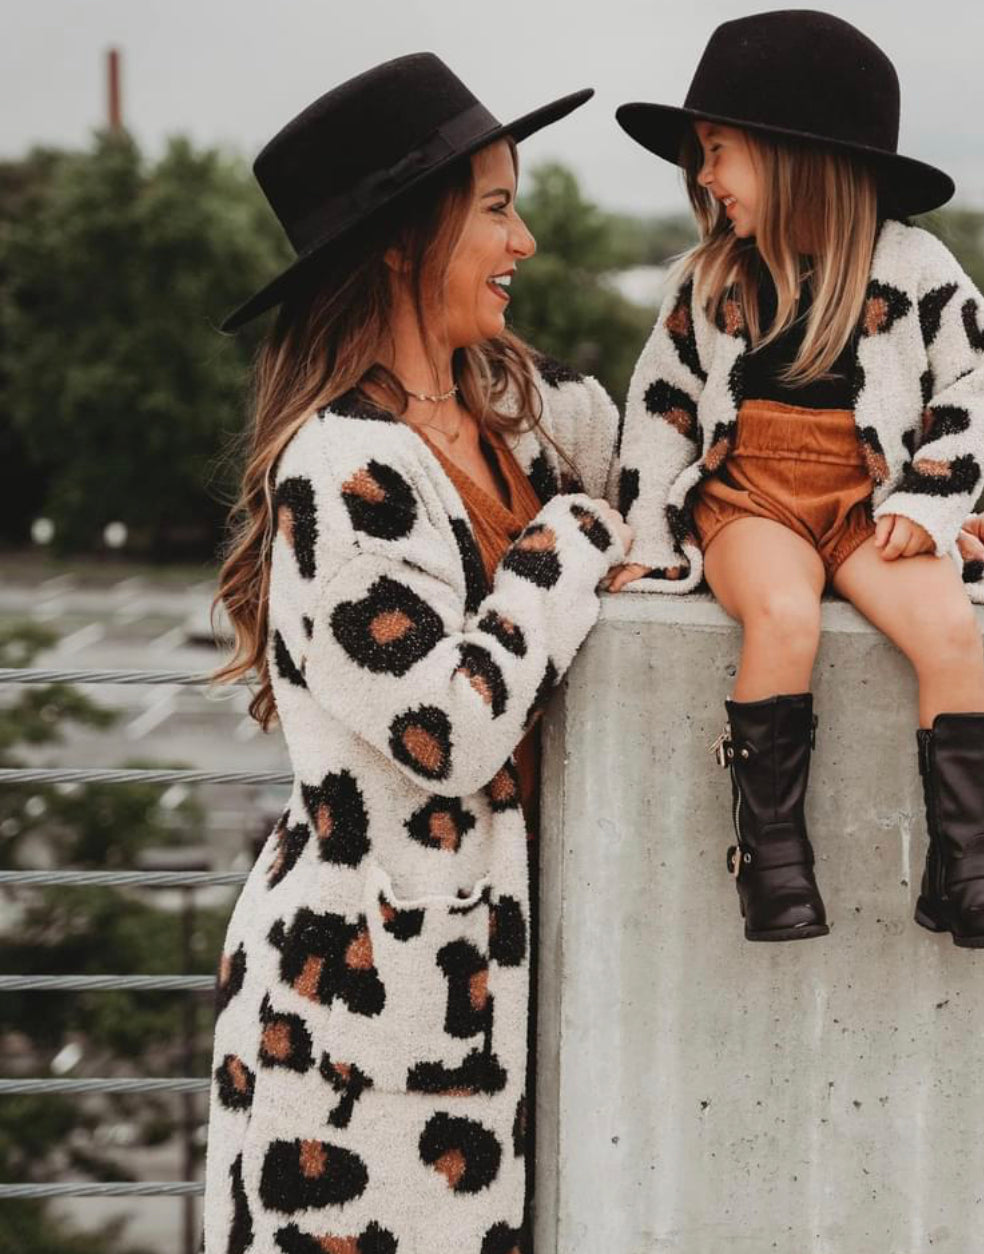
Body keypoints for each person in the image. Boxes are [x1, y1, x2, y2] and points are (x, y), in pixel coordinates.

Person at [202, 54, 631, 1252]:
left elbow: (692, 485)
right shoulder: (341, 467)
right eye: (496, 208)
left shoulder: (522, 411)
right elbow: (445, 729)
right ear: (403, 240)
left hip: (472, 1011)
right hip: (352, 1035)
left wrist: (919, 528)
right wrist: (574, 535)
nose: (524, 241)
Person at [608, 11, 984, 950]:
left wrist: (931, 502)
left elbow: (976, 384)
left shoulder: (916, 269)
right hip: (749, 498)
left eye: (718, 151)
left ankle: (968, 870)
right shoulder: (710, 279)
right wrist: (647, 537)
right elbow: (661, 410)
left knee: (949, 631)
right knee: (783, 615)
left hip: (867, 504)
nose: (704, 177)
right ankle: (772, 860)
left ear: (794, 155)